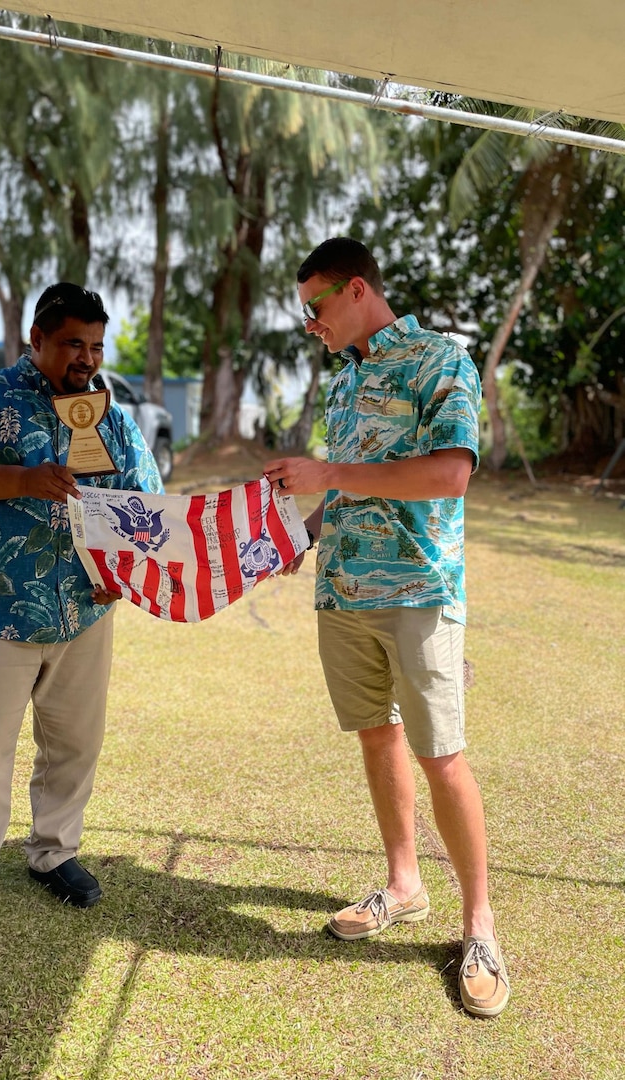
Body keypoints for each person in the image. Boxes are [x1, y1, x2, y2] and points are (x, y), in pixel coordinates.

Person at [264, 238, 509, 1018]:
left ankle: (480, 926)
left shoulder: (441, 361)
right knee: (377, 736)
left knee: (442, 756)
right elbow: (349, 484)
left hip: (418, 592)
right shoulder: (345, 377)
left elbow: (450, 474)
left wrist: (328, 473)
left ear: (357, 288)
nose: (310, 323)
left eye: (316, 305)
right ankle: (404, 886)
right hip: (343, 591)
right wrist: (304, 528)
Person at [0, 283, 163, 950]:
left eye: (94, 346)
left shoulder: (110, 414)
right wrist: (24, 479)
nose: (85, 358)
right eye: (71, 344)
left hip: (85, 609)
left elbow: (143, 498)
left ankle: (54, 852)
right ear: (37, 339)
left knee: (74, 743)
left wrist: (124, 569)